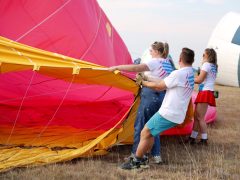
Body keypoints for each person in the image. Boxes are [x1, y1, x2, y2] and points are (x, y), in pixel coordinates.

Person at [120, 47, 195, 170]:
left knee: (145, 132)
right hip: (177, 114)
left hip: (169, 113)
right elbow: (164, 82)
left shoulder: (178, 74)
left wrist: (142, 83)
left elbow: (160, 86)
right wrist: (147, 79)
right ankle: (143, 157)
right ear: (192, 61)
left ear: (180, 59)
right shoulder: (190, 73)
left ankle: (136, 162)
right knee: (150, 133)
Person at [109, 41, 174, 164]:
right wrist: (147, 77)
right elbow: (160, 79)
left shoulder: (155, 62)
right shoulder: (168, 63)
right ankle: (156, 155)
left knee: (140, 125)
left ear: (157, 51)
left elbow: (135, 68)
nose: (149, 52)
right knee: (155, 126)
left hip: (150, 96)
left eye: (151, 50)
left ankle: (136, 155)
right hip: (161, 97)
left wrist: (117, 67)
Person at [187, 48, 218, 145]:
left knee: (200, 117)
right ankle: (192, 137)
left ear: (208, 56)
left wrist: (187, 78)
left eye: (204, 55)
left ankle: (204, 139)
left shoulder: (206, 65)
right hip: (207, 92)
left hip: (205, 92)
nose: (202, 57)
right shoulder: (213, 66)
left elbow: (200, 80)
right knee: (197, 117)